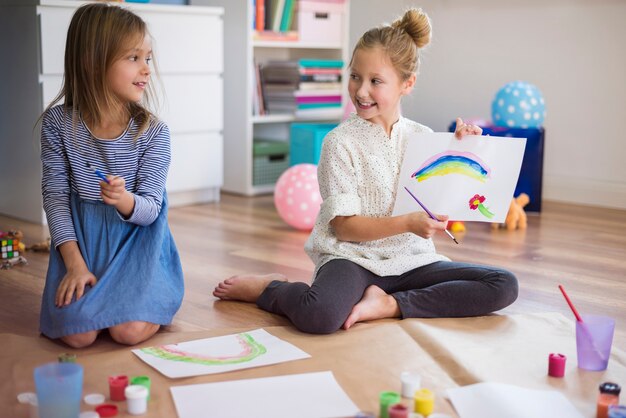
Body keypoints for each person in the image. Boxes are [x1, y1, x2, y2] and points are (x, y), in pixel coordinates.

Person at [213, 8, 518, 334]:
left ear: (407, 83)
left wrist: (464, 149)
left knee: (504, 284)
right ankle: (272, 288)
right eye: (355, 76)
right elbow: (344, 229)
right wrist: (407, 223)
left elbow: (453, 201)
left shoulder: (424, 139)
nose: (360, 91)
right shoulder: (339, 142)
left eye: (375, 81)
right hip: (352, 259)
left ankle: (392, 304)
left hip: (412, 259)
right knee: (320, 316)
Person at [39, 3, 184, 348]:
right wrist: (74, 265)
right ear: (92, 62)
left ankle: (152, 295)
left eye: (148, 58)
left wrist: (124, 200)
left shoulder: (153, 132)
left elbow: (150, 209)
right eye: (134, 58)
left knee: (128, 332)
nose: (147, 70)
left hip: (137, 247)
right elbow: (56, 199)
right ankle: (98, 296)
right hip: (84, 248)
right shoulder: (58, 124)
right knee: (77, 335)